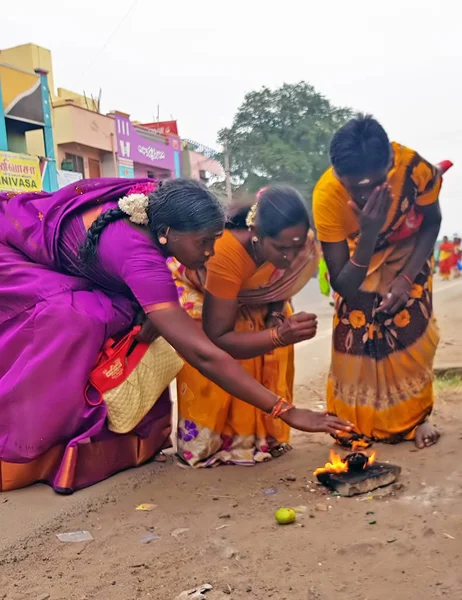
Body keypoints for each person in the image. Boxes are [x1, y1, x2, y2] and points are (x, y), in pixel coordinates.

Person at [0, 178, 351, 493]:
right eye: (204, 243)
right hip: (18, 253)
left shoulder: (157, 204)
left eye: (215, 240)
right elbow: (204, 353)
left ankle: (124, 440)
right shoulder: (141, 259)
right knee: (78, 321)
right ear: (166, 232)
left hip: (88, 257)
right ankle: (35, 442)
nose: (211, 253)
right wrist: (286, 411)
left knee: (144, 325)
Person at [313, 114, 452, 450]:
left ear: (390, 164)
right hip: (356, 263)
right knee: (355, 336)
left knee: (408, 333)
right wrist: (369, 233)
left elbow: (432, 223)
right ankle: (353, 424)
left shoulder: (414, 169)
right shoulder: (327, 197)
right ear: (337, 174)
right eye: (354, 188)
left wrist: (406, 279)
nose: (363, 197)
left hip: (409, 254)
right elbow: (344, 286)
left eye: (373, 185)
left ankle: (417, 419)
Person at [168, 185, 320, 466]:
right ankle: (215, 444)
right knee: (239, 344)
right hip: (204, 297)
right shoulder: (226, 252)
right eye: (281, 248)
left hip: (249, 297)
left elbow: (279, 285)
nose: (290, 257)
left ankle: (264, 439)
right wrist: (278, 335)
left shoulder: (302, 242)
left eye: (296, 248)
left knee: (275, 331)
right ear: (256, 234)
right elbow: (219, 337)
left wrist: (275, 317)